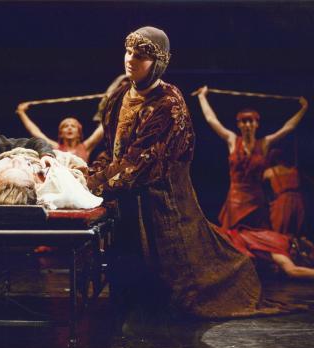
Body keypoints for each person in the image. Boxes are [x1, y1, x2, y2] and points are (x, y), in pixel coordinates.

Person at [87, 26, 294, 320]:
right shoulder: (120, 94)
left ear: (158, 62)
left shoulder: (168, 103)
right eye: (128, 52)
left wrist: (90, 185)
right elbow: (113, 150)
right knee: (128, 290)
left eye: (140, 56)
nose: (130, 60)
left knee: (177, 287)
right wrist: (88, 173)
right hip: (125, 200)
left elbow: (139, 164)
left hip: (160, 201)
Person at [195, 86, 308, 230]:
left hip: (257, 203)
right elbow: (212, 120)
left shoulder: (264, 144)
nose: (247, 125)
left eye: (251, 121)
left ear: (256, 124)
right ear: (239, 124)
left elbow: (288, 128)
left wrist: (303, 109)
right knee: (232, 238)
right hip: (235, 202)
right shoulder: (232, 140)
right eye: (244, 121)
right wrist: (202, 97)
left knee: (260, 237)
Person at [215, 226, 314, 280]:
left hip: (224, 234)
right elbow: (292, 271)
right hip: (228, 243)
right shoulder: (280, 250)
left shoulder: (281, 237)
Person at [16, 105, 103, 163]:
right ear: (61, 134)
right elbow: (35, 132)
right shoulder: (56, 148)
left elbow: (102, 128)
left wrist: (109, 104)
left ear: (79, 133)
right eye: (65, 126)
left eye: (73, 126)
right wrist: (21, 112)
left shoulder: (86, 147)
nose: (69, 128)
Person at [263, 148, 305, 236]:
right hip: (299, 201)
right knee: (296, 234)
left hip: (284, 202)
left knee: (280, 234)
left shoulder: (270, 171)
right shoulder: (294, 171)